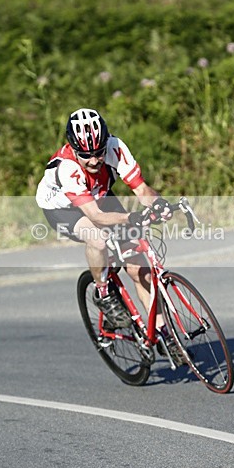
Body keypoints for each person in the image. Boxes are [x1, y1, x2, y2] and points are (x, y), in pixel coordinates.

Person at [36, 107, 181, 359]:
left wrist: (159, 204)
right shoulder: (67, 168)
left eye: (98, 153)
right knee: (98, 237)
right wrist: (131, 217)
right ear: (72, 148)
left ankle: (163, 333)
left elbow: (142, 190)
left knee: (138, 268)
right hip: (63, 208)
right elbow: (96, 217)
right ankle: (103, 292)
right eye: (86, 155)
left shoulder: (115, 147)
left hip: (98, 195)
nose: (94, 161)